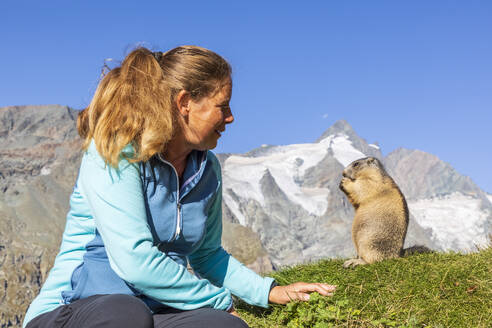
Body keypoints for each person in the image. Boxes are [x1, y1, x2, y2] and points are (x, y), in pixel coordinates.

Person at [22, 46, 336, 328]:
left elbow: (207, 255)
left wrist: (267, 291)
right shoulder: (116, 152)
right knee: (124, 314)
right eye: (222, 107)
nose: (231, 118)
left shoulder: (207, 169)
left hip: (149, 311)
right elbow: (135, 262)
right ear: (185, 102)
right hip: (71, 310)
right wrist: (220, 302)